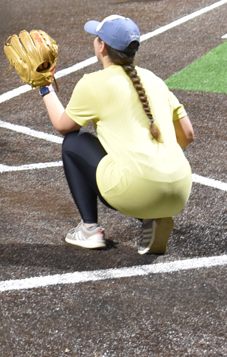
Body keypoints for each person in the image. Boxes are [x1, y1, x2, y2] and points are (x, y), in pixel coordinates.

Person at [39, 14, 195, 253]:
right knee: (140, 161)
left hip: (134, 191)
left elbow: (63, 125)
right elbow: (187, 134)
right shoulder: (154, 79)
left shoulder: (93, 82)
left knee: (74, 142)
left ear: (102, 46)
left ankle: (90, 229)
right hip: (179, 191)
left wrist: (44, 86)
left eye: (96, 37)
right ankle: (151, 220)